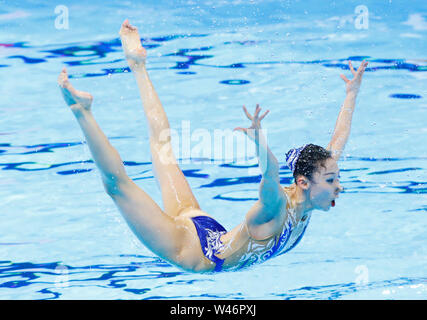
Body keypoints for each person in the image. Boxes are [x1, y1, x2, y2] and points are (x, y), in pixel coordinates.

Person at [58, 19, 368, 273]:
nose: (338, 186)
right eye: (331, 180)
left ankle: (138, 64)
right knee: (117, 186)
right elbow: (270, 175)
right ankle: (81, 111)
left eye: (335, 178)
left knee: (163, 151)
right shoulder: (277, 208)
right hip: (188, 250)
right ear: (302, 182)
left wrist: (351, 95)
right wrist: (259, 141)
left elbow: (336, 143)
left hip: (206, 231)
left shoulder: (311, 192)